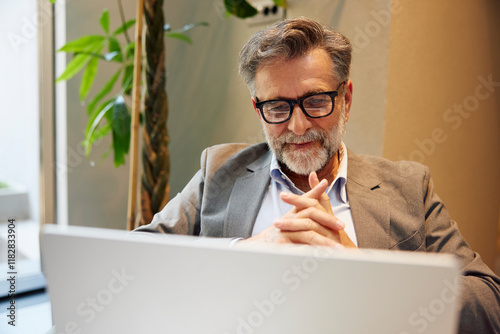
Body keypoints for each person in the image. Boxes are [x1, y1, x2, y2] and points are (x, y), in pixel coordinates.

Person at [135, 17, 500, 332]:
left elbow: (489, 305)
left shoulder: (408, 186)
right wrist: (247, 252)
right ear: (257, 108)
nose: (297, 125)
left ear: (346, 98)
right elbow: (136, 266)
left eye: (315, 101)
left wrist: (363, 267)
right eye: (277, 106)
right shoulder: (218, 171)